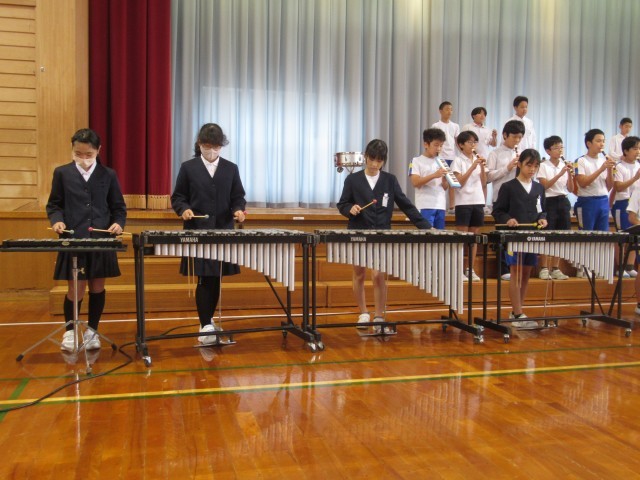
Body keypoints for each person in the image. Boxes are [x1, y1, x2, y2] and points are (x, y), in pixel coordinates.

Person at [338, 139, 432, 332]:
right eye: (372, 159)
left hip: (382, 234)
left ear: (384, 161)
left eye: (379, 161)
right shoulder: (353, 180)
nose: (374, 164)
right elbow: (342, 204)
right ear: (365, 157)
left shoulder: (390, 180)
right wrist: (350, 209)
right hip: (358, 232)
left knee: (379, 274)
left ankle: (379, 315)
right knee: (359, 274)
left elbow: (406, 206)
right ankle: (363, 313)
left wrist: (426, 227)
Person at [47, 128, 127, 352]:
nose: (83, 158)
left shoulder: (108, 175)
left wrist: (118, 223)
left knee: (98, 287)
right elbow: (54, 205)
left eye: (88, 154)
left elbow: (118, 207)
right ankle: (70, 332)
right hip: (73, 239)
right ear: (72, 150)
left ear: (98, 150)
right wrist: (57, 221)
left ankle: (92, 331)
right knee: (76, 289)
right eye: (78, 154)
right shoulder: (62, 173)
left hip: (100, 239)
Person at [171, 123, 247, 345]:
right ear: (199, 144)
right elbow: (178, 197)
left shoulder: (231, 168)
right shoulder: (188, 168)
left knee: (216, 278)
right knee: (205, 277)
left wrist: (238, 210)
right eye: (207, 146)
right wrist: (184, 209)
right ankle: (205, 325)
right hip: (198, 231)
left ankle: (209, 321)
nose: (212, 150)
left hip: (223, 231)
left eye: (216, 147)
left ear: (221, 146)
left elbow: (238, 197)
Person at [492, 149, 548, 327]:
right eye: (528, 165)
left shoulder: (539, 188)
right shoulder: (508, 187)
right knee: (516, 274)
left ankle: (519, 310)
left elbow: (542, 210)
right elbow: (498, 211)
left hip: (532, 236)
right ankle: (517, 314)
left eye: (535, 166)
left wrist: (542, 219)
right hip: (514, 238)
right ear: (519, 165)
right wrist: (508, 219)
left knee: (526, 274)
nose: (532, 169)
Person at [486, 119, 525, 280]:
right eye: (514, 137)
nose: (517, 140)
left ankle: (517, 267)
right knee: (503, 235)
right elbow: (488, 177)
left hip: (519, 200)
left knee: (518, 236)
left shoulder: (522, 154)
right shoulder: (494, 153)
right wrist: (507, 168)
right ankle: (503, 269)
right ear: (504, 135)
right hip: (501, 199)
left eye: (519, 137)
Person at [451, 130, 487, 282]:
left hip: (478, 200)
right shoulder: (457, 161)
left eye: (475, 142)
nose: (473, 145)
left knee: (474, 237)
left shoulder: (477, 159)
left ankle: (470, 268)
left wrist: (482, 167)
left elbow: (484, 182)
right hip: (463, 202)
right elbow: (458, 183)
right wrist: (472, 167)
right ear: (461, 145)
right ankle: (459, 269)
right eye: (470, 142)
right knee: (462, 237)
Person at [536, 136, 573, 280]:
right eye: (556, 148)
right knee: (547, 235)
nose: (560, 150)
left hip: (563, 200)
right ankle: (544, 267)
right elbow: (544, 186)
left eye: (561, 147)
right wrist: (560, 174)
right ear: (548, 151)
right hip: (549, 201)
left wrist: (570, 174)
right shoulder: (543, 165)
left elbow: (571, 189)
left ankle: (556, 268)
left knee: (561, 236)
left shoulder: (564, 165)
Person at [574, 129, 616, 232]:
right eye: (598, 141)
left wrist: (610, 170)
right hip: (587, 202)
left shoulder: (604, 160)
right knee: (586, 234)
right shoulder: (581, 161)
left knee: (603, 235)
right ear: (589, 143)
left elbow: (609, 186)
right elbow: (583, 183)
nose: (602, 144)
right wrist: (601, 169)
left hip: (603, 200)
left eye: (603, 141)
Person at [409, 127, 449, 229]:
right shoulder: (416, 161)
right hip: (425, 205)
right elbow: (415, 182)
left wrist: (445, 180)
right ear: (426, 144)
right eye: (436, 145)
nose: (439, 148)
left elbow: (445, 187)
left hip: (440, 204)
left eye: (441, 145)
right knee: (426, 235)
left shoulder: (442, 162)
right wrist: (434, 175)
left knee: (440, 236)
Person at [611, 135, 640, 277]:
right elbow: (618, 187)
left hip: (637, 204)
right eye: (635, 148)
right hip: (622, 203)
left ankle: (629, 266)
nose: (638, 151)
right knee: (622, 236)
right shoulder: (619, 167)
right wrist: (635, 178)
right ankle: (620, 267)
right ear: (626, 151)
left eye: (639, 148)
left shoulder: (638, 165)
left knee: (636, 235)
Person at [431, 101, 460, 213]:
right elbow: (433, 142)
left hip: (452, 157)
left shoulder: (455, 126)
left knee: (452, 182)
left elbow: (457, 142)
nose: (450, 111)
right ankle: (439, 205)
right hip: (440, 157)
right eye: (447, 109)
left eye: (451, 109)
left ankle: (452, 206)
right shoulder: (436, 125)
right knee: (440, 182)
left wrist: (461, 154)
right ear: (440, 111)